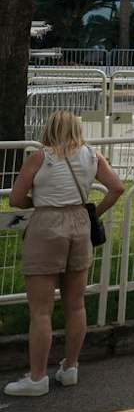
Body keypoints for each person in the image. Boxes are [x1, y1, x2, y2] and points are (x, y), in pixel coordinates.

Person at [4, 112, 123, 396]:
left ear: (50, 129)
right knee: (76, 305)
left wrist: (38, 201)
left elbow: (15, 199)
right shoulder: (93, 156)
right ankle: (70, 367)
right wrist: (95, 212)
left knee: (41, 310)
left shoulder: (39, 158)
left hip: (47, 225)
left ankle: (37, 378)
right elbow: (117, 188)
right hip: (80, 223)